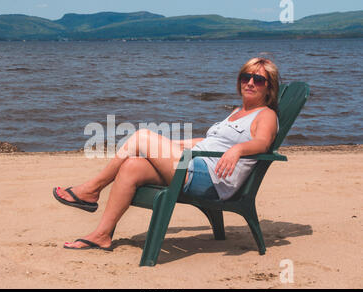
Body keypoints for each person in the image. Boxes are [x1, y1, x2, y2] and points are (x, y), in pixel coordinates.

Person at [53, 57, 280, 250]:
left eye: (258, 80)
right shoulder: (237, 112)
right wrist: (169, 146)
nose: (250, 83)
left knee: (141, 136)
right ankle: (102, 235)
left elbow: (263, 142)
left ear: (268, 87)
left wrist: (237, 149)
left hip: (211, 179)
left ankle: (91, 190)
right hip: (193, 164)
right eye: (245, 77)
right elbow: (208, 141)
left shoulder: (266, 115)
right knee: (132, 165)